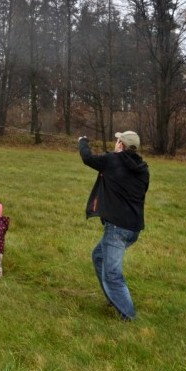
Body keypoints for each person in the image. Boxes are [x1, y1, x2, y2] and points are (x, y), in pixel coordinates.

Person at [78, 131, 150, 321]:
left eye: (118, 141)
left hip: (118, 229)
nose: (115, 143)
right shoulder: (143, 168)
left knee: (112, 274)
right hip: (133, 229)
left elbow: (87, 158)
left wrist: (83, 141)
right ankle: (114, 298)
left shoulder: (112, 161)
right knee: (98, 256)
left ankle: (128, 316)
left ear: (121, 145)